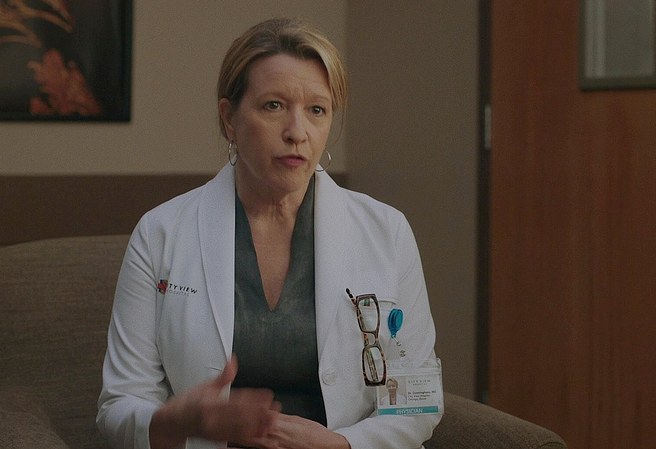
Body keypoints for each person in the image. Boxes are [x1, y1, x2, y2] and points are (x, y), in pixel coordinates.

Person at [96, 17, 441, 449]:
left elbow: (416, 402)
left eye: (317, 110)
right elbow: (118, 406)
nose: (297, 132)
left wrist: (341, 445)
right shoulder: (160, 234)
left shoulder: (386, 232)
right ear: (229, 119)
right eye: (274, 106)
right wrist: (176, 421)